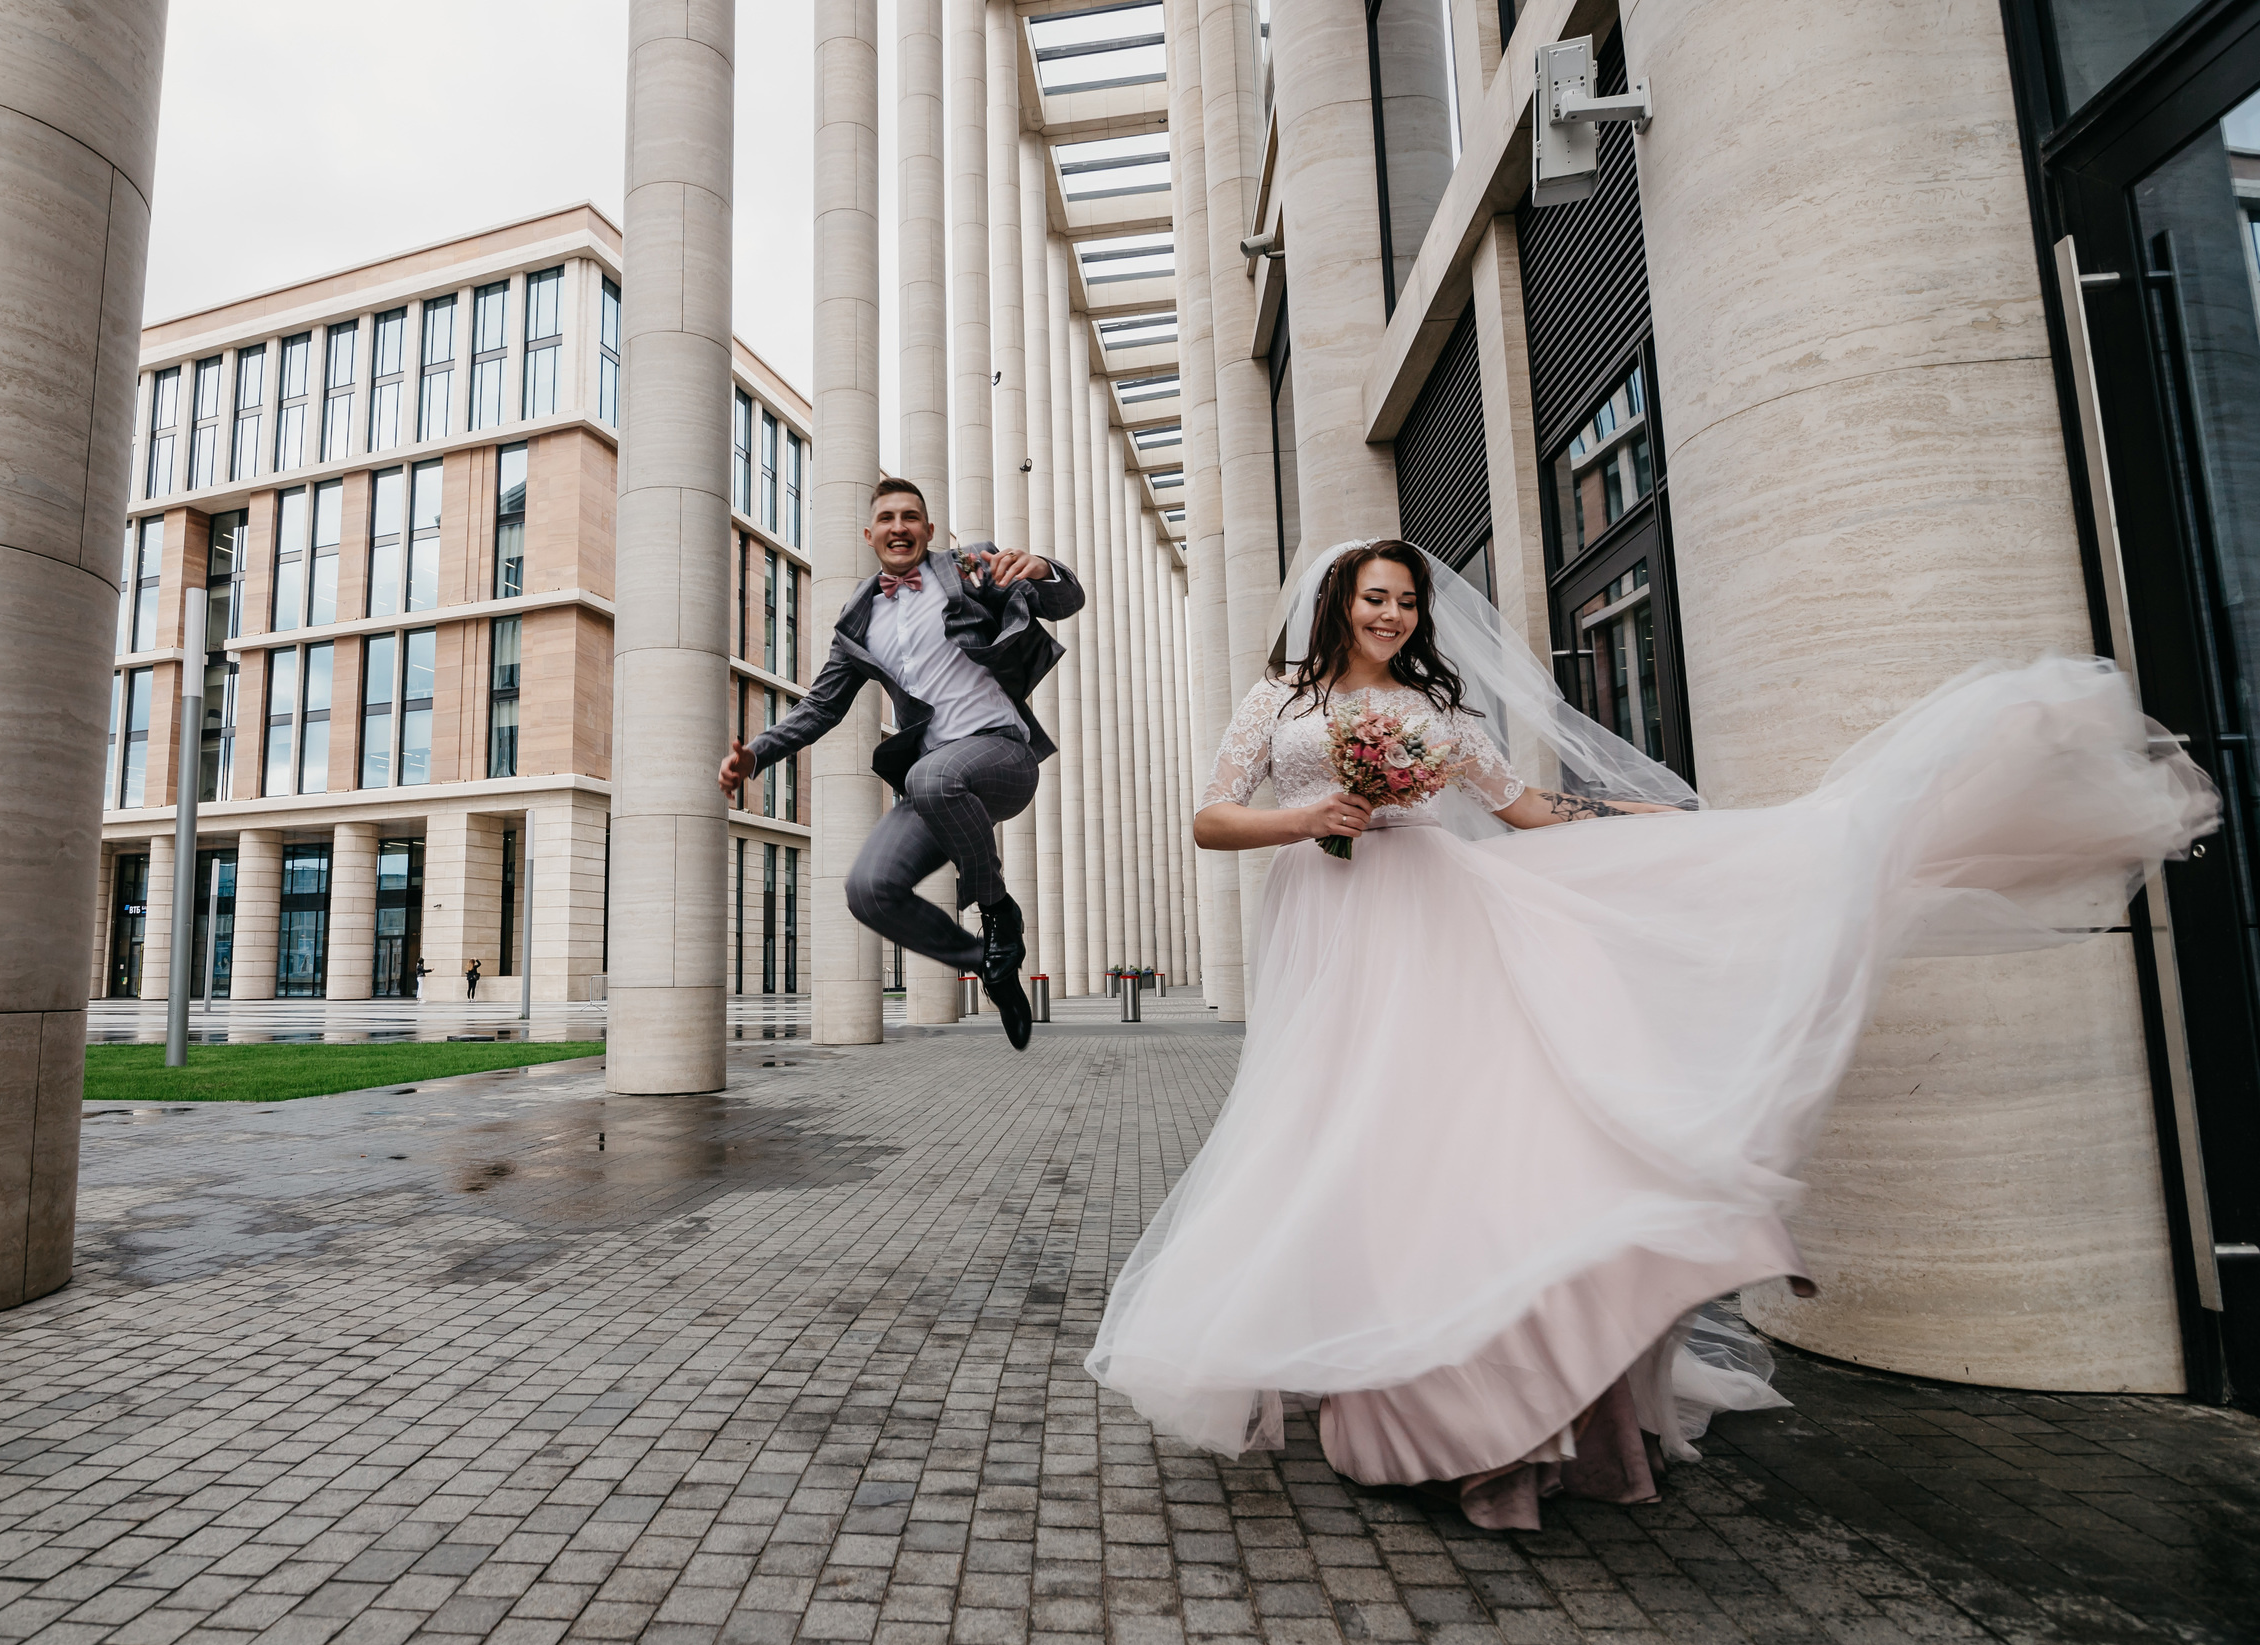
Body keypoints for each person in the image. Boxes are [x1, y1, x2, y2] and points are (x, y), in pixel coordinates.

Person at [1086, 539, 2215, 1529]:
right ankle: (1367, 1344)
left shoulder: (1439, 715)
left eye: (1406, 603)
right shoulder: (1279, 703)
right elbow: (1208, 816)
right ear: (1337, 603)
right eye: (1374, 599)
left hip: (1433, 915)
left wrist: (1644, 820)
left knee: (1437, 1128)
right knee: (1330, 1126)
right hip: (1325, 920)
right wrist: (1309, 816)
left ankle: (1466, 1378)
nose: (1392, 616)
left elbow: (1523, 810)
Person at [720, 477, 1083, 1048]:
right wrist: (756, 754)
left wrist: (1041, 568)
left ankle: (998, 914)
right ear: (870, 535)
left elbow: (1067, 601)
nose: (899, 527)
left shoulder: (970, 567)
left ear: (928, 530)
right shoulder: (858, 622)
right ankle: (990, 962)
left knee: (930, 775)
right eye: (887, 519)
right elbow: (820, 707)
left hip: (1003, 756)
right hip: (939, 784)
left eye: (910, 517)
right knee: (870, 890)